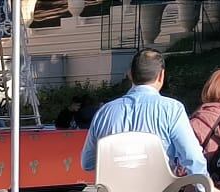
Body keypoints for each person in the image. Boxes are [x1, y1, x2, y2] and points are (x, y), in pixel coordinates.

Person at [81, 47, 205, 177]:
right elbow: (192, 156)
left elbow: (87, 163)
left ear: (130, 74)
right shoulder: (172, 109)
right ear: (161, 75)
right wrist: (204, 187)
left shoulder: (104, 112)